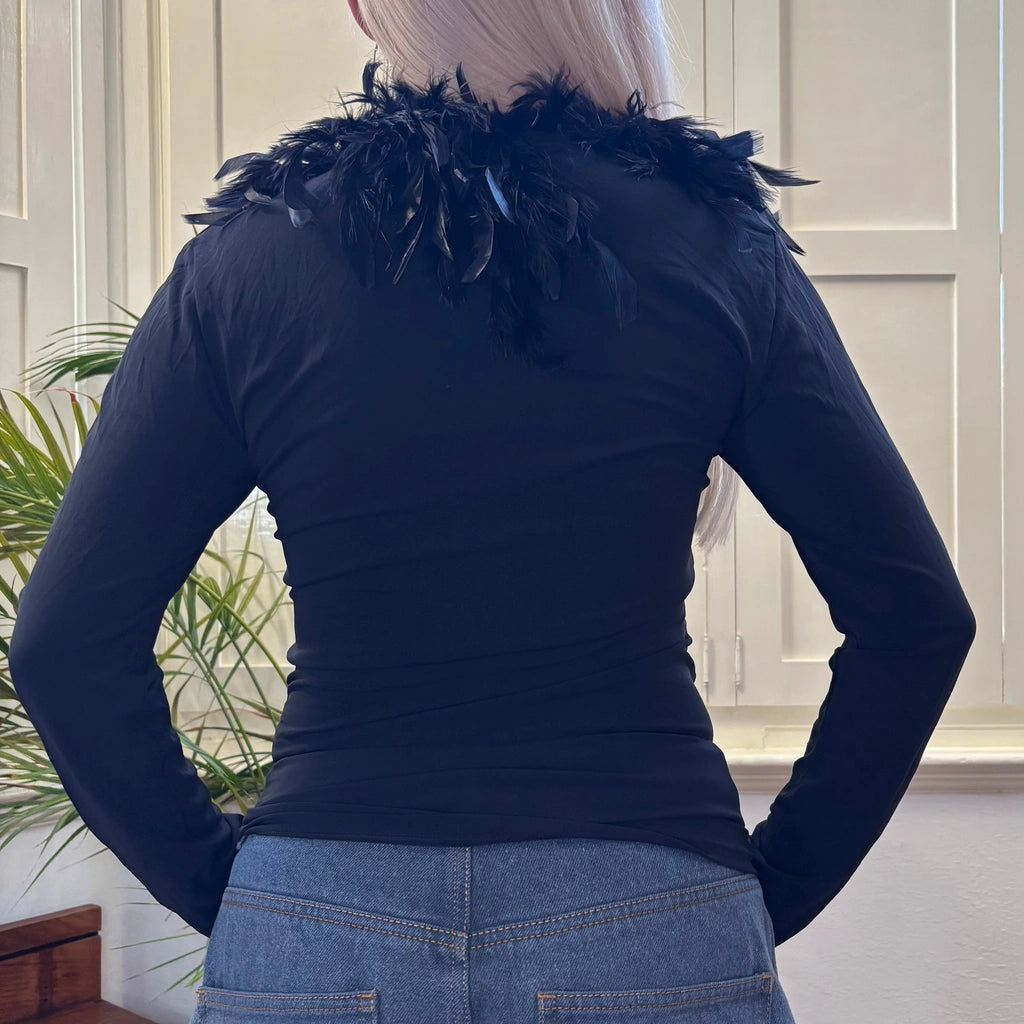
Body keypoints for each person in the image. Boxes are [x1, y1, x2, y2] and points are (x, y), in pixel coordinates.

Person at [8, 1, 976, 1021]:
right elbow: (915, 620)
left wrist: (242, 896)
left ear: (365, 9)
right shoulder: (717, 246)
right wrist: (761, 891)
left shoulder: (246, 261)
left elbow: (65, 643)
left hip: (318, 908)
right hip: (651, 897)